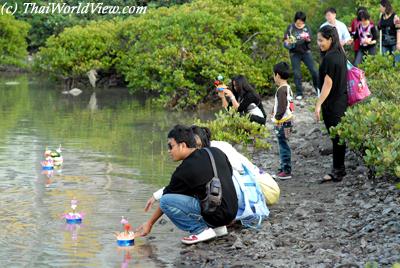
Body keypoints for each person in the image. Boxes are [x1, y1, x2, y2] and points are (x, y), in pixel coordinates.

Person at [135, 125, 238, 245]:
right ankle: (218, 229)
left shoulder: (184, 170)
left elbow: (166, 200)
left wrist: (150, 223)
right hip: (232, 211)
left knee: (165, 201)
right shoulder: (216, 152)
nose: (169, 151)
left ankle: (200, 230)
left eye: (171, 146)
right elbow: (228, 175)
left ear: (183, 145)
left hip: (217, 213)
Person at [315, 26, 348, 183]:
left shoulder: (329, 58)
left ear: (330, 39)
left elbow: (327, 84)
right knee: (338, 137)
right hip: (341, 100)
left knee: (336, 138)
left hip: (332, 104)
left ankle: (338, 172)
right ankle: (339, 169)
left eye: (321, 40)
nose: (318, 43)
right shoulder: (341, 54)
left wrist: (318, 104)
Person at [284, 11, 319, 99]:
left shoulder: (306, 28)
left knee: (314, 71)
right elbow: (286, 39)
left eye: (302, 21)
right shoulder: (291, 27)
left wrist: (307, 39)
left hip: (306, 52)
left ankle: (318, 89)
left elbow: (310, 39)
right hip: (294, 53)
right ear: (296, 20)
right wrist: (288, 43)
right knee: (297, 73)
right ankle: (299, 93)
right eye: (298, 21)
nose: (300, 23)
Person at [271, 62, 294, 180]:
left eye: (273, 75)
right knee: (284, 144)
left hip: (283, 123)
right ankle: (283, 167)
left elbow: (282, 106)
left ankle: (286, 170)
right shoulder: (288, 88)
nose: (273, 77)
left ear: (277, 75)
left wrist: (276, 118)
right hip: (288, 121)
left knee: (283, 145)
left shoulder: (281, 90)